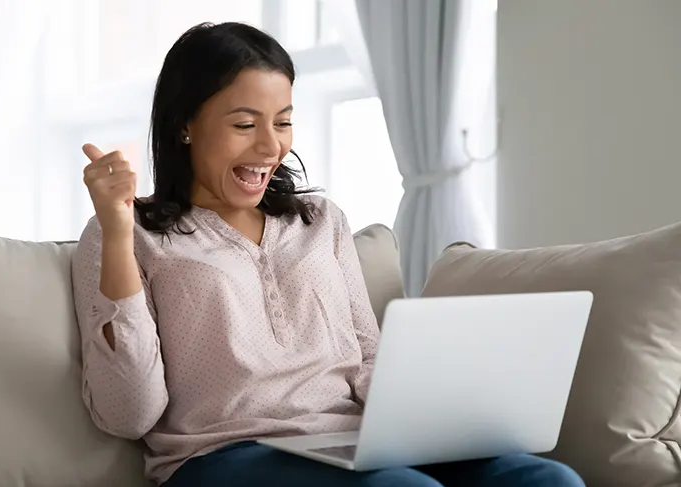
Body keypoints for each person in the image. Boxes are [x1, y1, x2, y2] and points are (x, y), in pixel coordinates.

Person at [71, 21, 584, 487]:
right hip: (220, 458)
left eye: (283, 122)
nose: (271, 147)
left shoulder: (320, 221)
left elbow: (368, 358)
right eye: (245, 125)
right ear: (186, 124)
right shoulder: (126, 233)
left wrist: (445, 413)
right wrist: (117, 230)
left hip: (349, 444)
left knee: (545, 480)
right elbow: (128, 413)